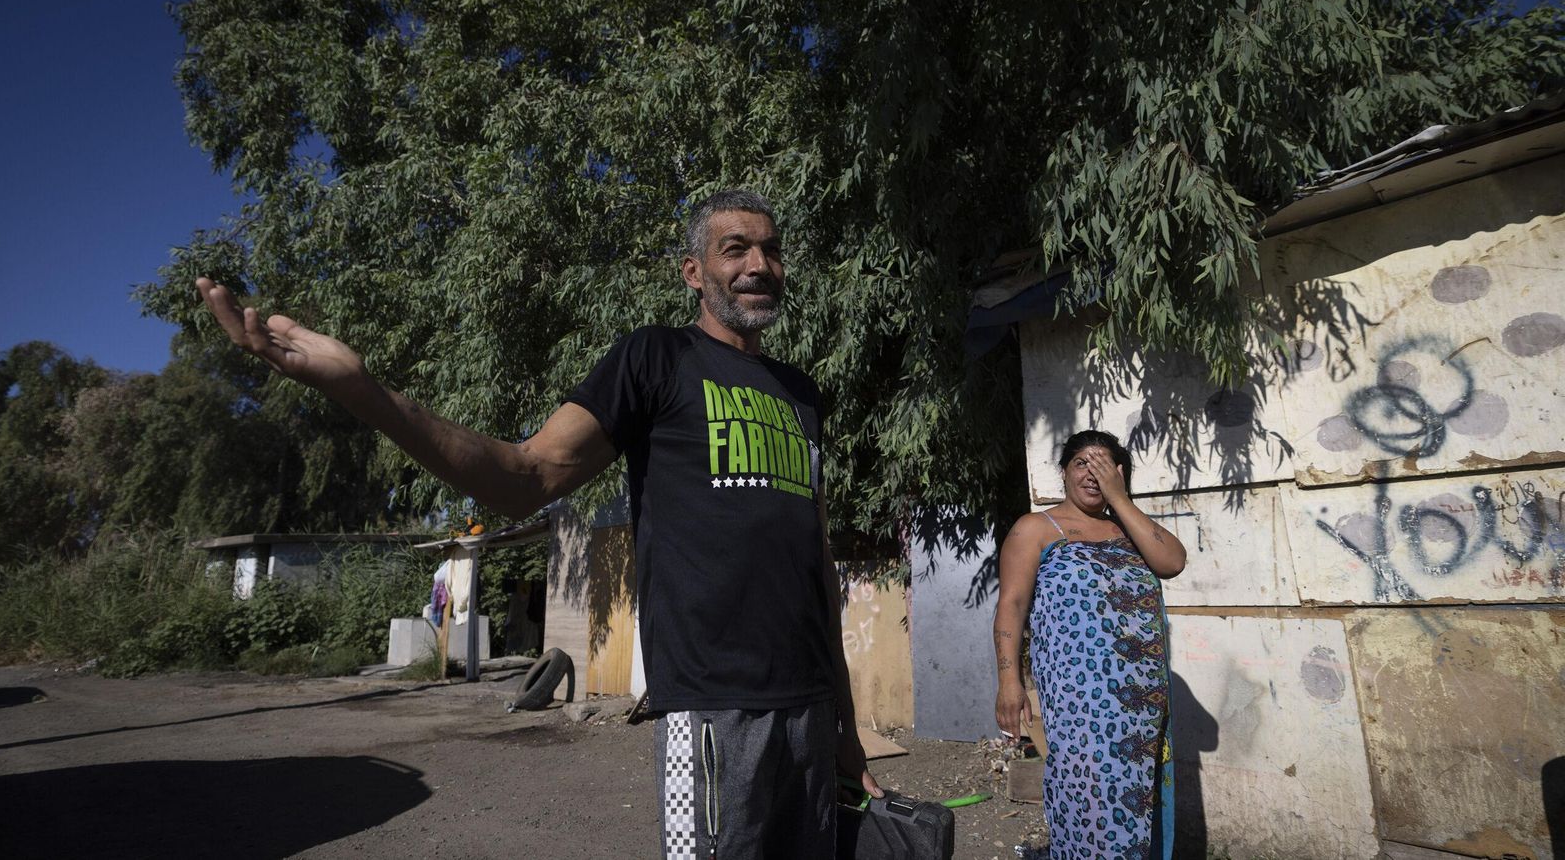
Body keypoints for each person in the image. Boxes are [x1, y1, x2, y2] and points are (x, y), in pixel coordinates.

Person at [196, 189, 881, 859]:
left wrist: (845, 724)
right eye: (736, 249)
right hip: (714, 707)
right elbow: (527, 477)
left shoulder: (800, 394)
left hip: (811, 710)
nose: (759, 264)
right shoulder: (656, 359)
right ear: (695, 273)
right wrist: (360, 390)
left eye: (771, 249)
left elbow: (814, 562)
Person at [992, 430, 1186, 860]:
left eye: (1103, 467)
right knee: (1091, 799)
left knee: (1139, 800)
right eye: (1082, 463)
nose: (1091, 474)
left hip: (1142, 702)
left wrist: (1121, 500)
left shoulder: (1129, 529)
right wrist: (1010, 679)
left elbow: (1172, 562)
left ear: (1119, 475)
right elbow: (1012, 604)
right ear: (1064, 472)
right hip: (1084, 703)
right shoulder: (1037, 528)